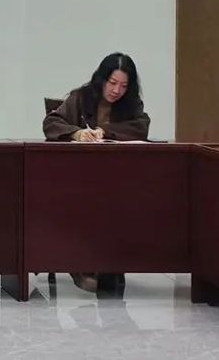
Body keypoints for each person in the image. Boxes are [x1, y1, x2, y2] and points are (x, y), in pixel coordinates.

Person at [43, 52, 150, 294]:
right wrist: (77, 133)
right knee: (88, 200)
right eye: (112, 83)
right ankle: (83, 264)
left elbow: (140, 128)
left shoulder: (132, 104)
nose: (117, 91)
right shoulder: (81, 97)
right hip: (78, 176)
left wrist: (106, 133)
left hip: (117, 177)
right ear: (102, 79)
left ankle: (110, 264)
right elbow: (51, 123)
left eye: (123, 86)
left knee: (126, 200)